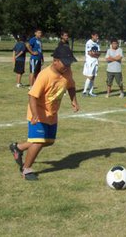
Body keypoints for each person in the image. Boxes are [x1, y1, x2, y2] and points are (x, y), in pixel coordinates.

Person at [8, 45, 79, 181]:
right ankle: (26, 169)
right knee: (39, 142)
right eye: (65, 62)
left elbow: (71, 86)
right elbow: (32, 96)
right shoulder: (45, 75)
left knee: (49, 141)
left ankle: (18, 147)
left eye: (70, 63)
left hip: (52, 114)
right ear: (55, 61)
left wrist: (74, 100)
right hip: (38, 112)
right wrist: (35, 114)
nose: (68, 65)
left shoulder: (67, 72)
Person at [82, 32, 101, 97]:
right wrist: (95, 54)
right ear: (92, 36)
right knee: (90, 76)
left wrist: (95, 54)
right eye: (96, 36)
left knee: (93, 77)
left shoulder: (97, 43)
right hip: (90, 62)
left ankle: (90, 92)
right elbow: (90, 53)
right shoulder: (89, 43)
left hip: (95, 62)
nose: (97, 37)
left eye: (97, 36)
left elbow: (99, 53)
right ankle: (84, 91)